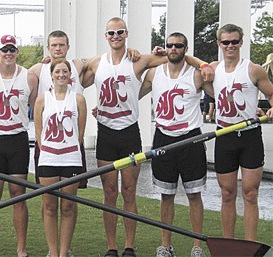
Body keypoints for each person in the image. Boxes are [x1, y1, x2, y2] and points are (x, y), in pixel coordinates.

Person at [81, 17, 213, 257]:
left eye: (120, 32)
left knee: (130, 191)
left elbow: (175, 57)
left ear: (126, 33)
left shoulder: (139, 59)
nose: (115, 36)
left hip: (130, 133)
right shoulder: (96, 62)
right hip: (106, 133)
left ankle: (130, 246)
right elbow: (69, 75)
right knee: (109, 193)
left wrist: (204, 65)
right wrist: (49, 61)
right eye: (111, 33)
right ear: (105, 36)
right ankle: (112, 247)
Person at [140, 32, 213, 257]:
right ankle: (165, 245)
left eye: (178, 46)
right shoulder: (154, 73)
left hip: (190, 138)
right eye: (169, 45)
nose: (173, 49)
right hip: (163, 137)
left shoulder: (196, 75)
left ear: (185, 48)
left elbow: (221, 94)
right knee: (166, 195)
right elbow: (134, 95)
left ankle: (197, 246)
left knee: (194, 194)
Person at [0, 34, 38, 257]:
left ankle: (21, 249)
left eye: (12, 49)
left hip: (18, 139)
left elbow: (38, 106)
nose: (8, 53)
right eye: (5, 50)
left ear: (17, 52)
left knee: (18, 194)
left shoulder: (29, 77)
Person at [211, 23, 273, 241]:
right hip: (224, 135)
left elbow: (272, 94)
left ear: (241, 42)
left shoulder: (253, 69)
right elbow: (190, 65)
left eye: (235, 41)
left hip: (249, 135)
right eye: (226, 42)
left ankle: (249, 245)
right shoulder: (213, 69)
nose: (230, 46)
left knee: (251, 193)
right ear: (219, 44)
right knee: (227, 194)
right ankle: (229, 245)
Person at [33, 59, 87, 257]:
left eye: (65, 71)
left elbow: (80, 133)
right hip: (48, 159)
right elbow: (38, 133)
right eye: (58, 71)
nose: (61, 75)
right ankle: (53, 252)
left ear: (70, 75)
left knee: (68, 206)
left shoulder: (78, 99)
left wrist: (68, 148)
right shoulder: (42, 99)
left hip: (71, 159)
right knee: (49, 206)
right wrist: (49, 150)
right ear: (52, 74)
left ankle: (64, 252)